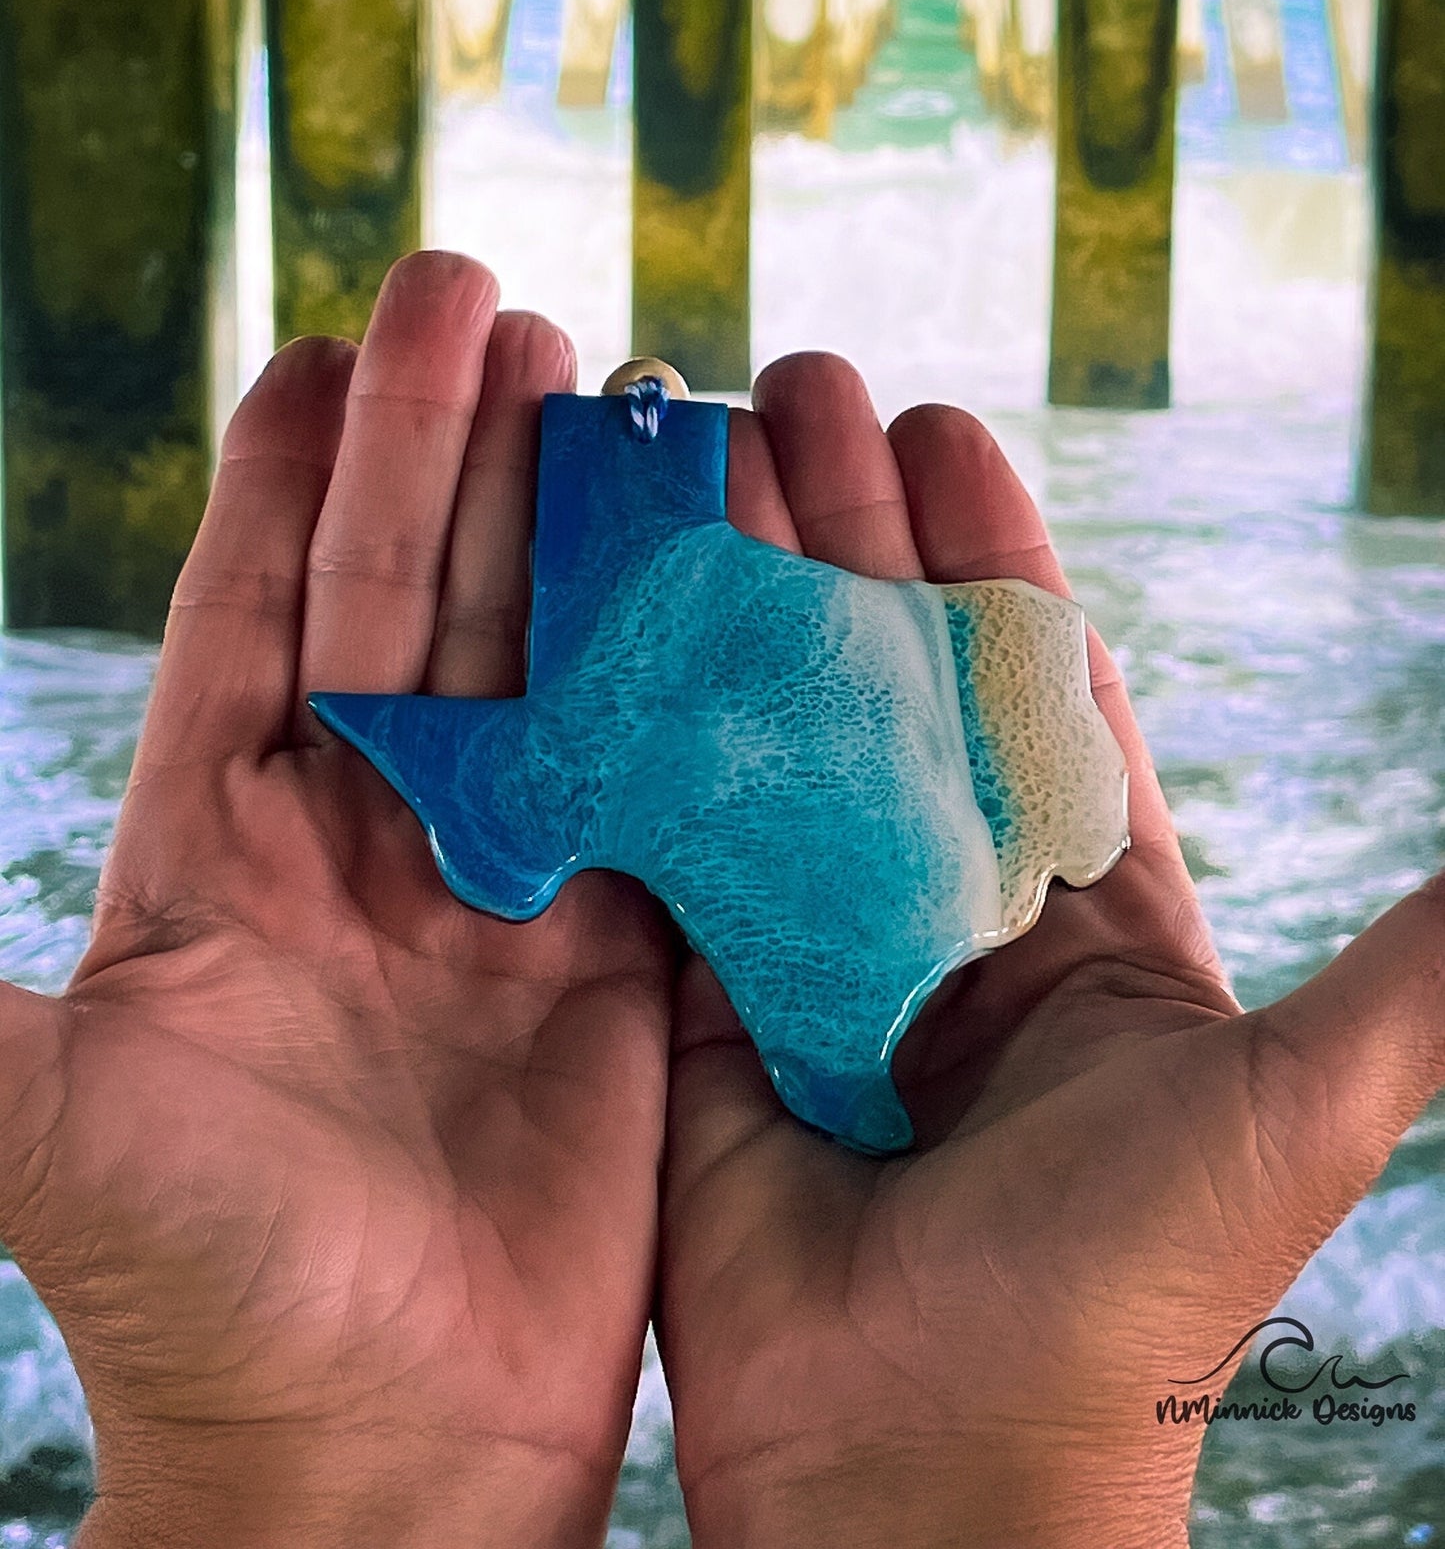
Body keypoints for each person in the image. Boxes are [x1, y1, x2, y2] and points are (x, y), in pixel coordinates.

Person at [0, 249, 1439, 1549]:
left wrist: (301, 1488)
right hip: (850, 872)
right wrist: (1005, 1491)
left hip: (829, 870)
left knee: (532, 813)